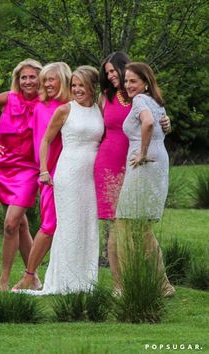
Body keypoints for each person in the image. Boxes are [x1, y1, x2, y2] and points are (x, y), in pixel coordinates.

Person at [24, 65, 104, 295]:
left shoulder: (100, 110)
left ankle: (85, 282)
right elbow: (46, 141)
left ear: (92, 87)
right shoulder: (65, 110)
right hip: (68, 173)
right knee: (68, 225)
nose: (77, 90)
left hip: (91, 176)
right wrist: (44, 170)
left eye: (82, 85)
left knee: (88, 226)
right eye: (74, 85)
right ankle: (63, 282)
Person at [94, 51, 171, 288]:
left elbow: (153, 123)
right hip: (110, 163)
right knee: (116, 227)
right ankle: (120, 285)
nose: (111, 76)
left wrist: (167, 124)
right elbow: (96, 129)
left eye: (112, 71)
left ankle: (153, 283)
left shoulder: (139, 96)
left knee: (138, 228)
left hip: (137, 164)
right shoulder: (105, 97)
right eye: (106, 73)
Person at [0, 58, 42, 291]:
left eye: (32, 76)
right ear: (18, 80)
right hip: (3, 167)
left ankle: (3, 281)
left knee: (11, 224)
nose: (28, 81)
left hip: (30, 169)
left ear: (40, 78)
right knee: (20, 226)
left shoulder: (47, 102)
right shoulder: (7, 98)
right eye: (24, 77)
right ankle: (32, 278)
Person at [115, 62, 175, 296]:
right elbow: (161, 126)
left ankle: (160, 284)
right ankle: (159, 283)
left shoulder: (140, 100)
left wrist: (142, 151)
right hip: (157, 162)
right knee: (140, 226)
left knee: (129, 223)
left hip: (144, 164)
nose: (129, 85)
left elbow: (149, 123)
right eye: (127, 80)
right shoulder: (156, 102)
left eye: (133, 81)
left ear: (145, 83)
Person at [12, 62, 72, 290]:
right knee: (49, 225)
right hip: (50, 174)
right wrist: (43, 170)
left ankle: (64, 276)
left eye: (51, 79)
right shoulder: (40, 106)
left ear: (63, 80)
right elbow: (41, 141)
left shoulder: (73, 105)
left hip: (72, 171)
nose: (46, 83)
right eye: (44, 79)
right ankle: (30, 275)